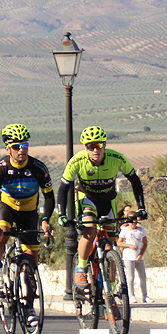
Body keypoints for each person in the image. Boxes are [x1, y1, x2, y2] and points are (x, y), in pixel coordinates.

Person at [57, 126, 147, 294]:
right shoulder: (77, 161)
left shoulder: (116, 158)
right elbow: (63, 188)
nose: (95, 150)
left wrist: (141, 207)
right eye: (90, 146)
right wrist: (61, 214)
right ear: (86, 148)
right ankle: (82, 269)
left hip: (108, 200)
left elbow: (135, 180)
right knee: (89, 229)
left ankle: (109, 289)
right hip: (87, 199)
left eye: (99, 145)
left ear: (104, 145)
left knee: (111, 245)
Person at [0, 124, 54, 327]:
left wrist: (45, 220)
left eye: (24, 145)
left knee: (31, 263)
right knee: (2, 232)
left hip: (29, 212)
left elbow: (49, 196)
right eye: (16, 146)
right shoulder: (0, 168)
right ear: (8, 149)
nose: (21, 150)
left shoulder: (38, 168)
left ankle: (29, 307)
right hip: (7, 207)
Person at [117, 212, 150, 303]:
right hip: (128, 257)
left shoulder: (141, 230)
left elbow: (145, 243)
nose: (133, 224)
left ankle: (145, 296)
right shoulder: (125, 231)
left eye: (135, 221)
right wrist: (128, 245)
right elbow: (119, 243)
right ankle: (131, 296)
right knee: (130, 277)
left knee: (142, 276)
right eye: (131, 222)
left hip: (138, 257)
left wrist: (141, 254)